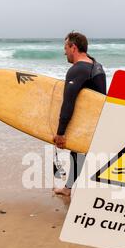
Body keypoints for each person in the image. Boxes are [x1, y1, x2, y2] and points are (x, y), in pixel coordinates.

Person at [53, 32, 106, 196]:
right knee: (79, 154)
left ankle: (71, 189)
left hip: (87, 124)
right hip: (98, 121)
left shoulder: (77, 70)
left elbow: (68, 101)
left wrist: (61, 132)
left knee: (78, 154)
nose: (64, 52)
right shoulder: (96, 66)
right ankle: (68, 189)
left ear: (73, 47)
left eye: (65, 47)